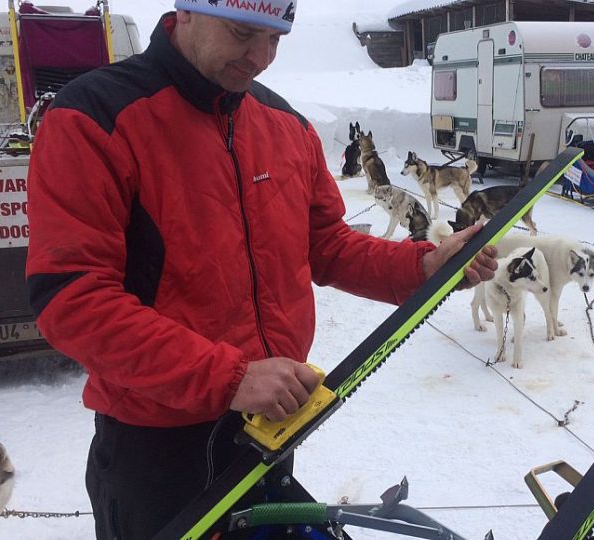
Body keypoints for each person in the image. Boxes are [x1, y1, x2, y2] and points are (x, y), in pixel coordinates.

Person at [24, 1, 497, 538]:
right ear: (188, 13)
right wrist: (230, 378)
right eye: (243, 33)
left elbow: (328, 245)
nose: (261, 58)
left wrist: (424, 263)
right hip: (156, 444)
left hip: (269, 422)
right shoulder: (96, 116)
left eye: (276, 39)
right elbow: (72, 299)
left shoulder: (284, 124)